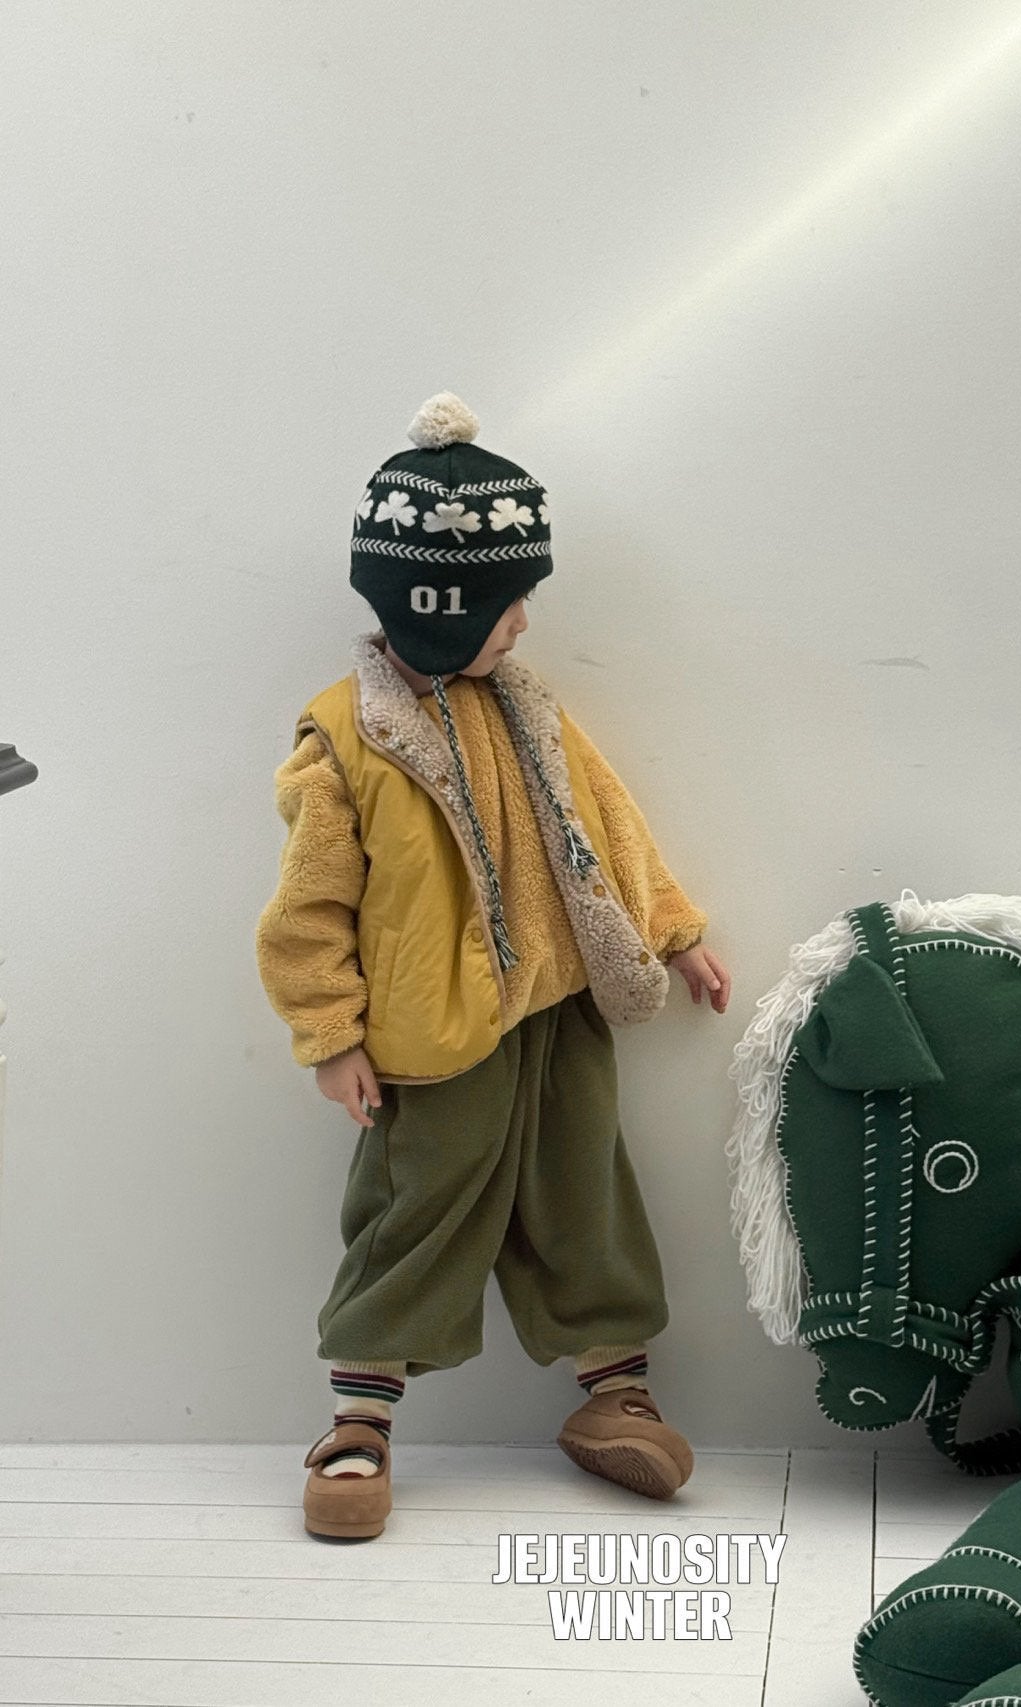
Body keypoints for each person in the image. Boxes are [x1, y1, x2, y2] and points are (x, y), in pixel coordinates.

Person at [255, 391, 731, 1541]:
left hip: (556, 1004)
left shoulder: (529, 709)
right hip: (429, 1027)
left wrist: (672, 928)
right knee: (414, 1207)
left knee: (582, 1191)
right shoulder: (344, 739)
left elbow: (608, 825)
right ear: (437, 611)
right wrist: (329, 1033)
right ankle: (358, 1420)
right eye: (505, 604)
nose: (521, 624)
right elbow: (308, 909)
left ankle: (613, 1393)